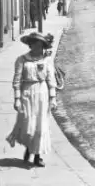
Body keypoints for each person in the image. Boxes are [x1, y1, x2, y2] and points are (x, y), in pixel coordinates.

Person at [6, 32, 58, 167]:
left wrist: (53, 98)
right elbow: (16, 80)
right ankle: (29, 149)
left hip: (42, 93)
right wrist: (17, 98)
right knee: (28, 125)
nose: (38, 47)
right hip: (27, 93)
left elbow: (50, 79)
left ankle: (37, 156)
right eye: (35, 44)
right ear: (31, 44)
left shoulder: (46, 61)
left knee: (40, 126)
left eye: (40, 44)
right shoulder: (22, 59)